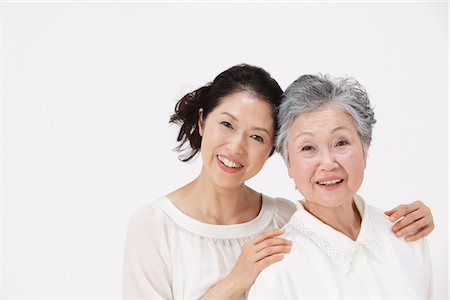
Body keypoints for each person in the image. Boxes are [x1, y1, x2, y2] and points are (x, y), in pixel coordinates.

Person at [123, 65, 434, 300]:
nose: (236, 147)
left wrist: (411, 219)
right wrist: (236, 280)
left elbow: (334, 214)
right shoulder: (154, 225)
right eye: (227, 124)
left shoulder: (283, 220)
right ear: (203, 121)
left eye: (257, 136)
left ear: (273, 150)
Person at [248, 74, 432, 299]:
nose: (327, 163)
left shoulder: (408, 236)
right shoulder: (277, 270)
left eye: (341, 143)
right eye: (307, 148)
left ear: (365, 148)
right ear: (288, 164)